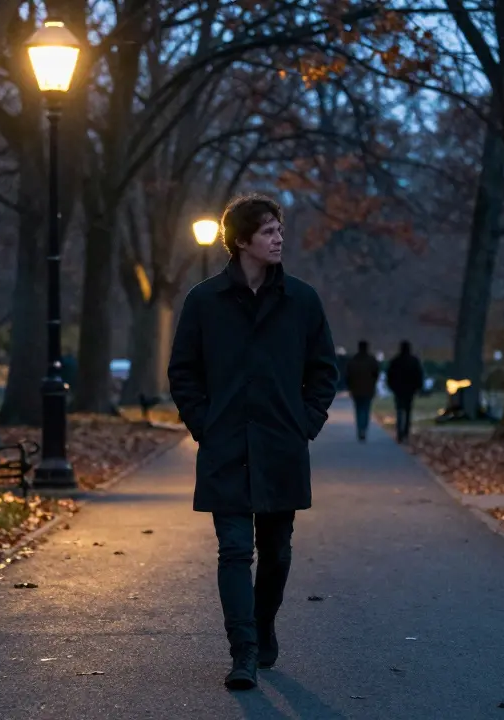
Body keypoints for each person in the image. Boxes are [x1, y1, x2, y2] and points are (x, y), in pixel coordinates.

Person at [167, 193, 339, 691]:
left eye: (279, 229)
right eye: (268, 231)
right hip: (226, 447)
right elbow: (183, 372)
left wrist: (304, 423)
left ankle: (264, 626)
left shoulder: (301, 300)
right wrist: (205, 424)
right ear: (241, 241)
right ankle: (242, 651)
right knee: (235, 551)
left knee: (277, 552)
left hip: (282, 447)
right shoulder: (205, 301)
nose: (279, 238)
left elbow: (324, 371)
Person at [386, 341, 424, 443]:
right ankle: (406, 432)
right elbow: (419, 374)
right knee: (408, 411)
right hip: (410, 389)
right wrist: (418, 387)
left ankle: (400, 432)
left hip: (398, 389)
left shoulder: (396, 361)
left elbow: (390, 375)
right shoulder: (414, 361)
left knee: (399, 410)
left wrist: (392, 386)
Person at [345, 340, 380, 442]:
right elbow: (376, 374)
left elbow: (348, 375)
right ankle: (363, 428)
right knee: (366, 409)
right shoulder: (371, 360)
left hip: (356, 389)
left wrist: (350, 387)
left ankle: (360, 428)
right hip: (368, 389)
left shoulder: (354, 360)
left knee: (358, 409)